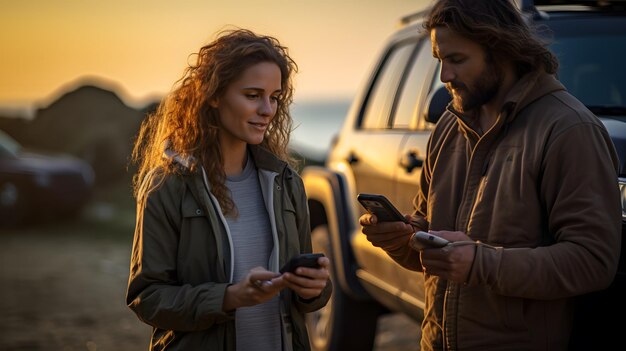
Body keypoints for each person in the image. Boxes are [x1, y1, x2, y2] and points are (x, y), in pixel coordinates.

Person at [359, 1, 622, 350]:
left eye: (456, 60)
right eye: (440, 60)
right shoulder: (449, 127)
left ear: (501, 51)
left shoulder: (569, 130)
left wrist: (480, 263)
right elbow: (432, 249)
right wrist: (397, 238)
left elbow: (592, 262)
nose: (444, 77)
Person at [126, 28, 332, 351]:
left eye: (274, 97)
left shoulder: (286, 183)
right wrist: (228, 298)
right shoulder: (167, 186)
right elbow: (147, 297)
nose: (267, 110)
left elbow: (304, 299)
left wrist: (314, 288)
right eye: (252, 95)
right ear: (214, 95)